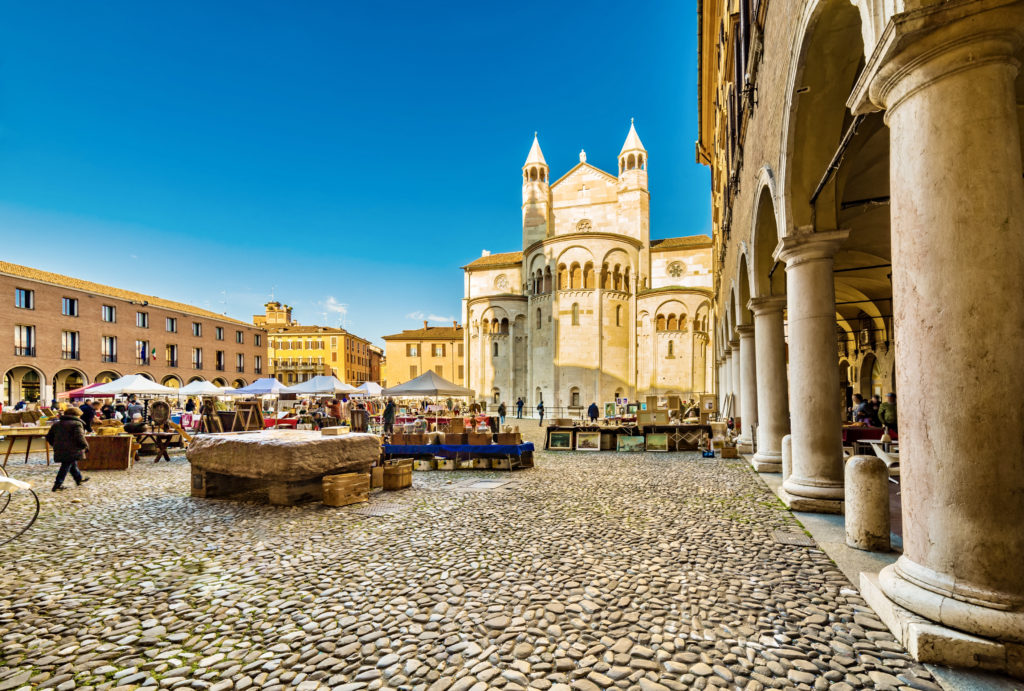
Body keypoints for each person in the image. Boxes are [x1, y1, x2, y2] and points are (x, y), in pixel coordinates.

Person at [46, 406, 90, 492]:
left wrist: (55, 444)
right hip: (72, 448)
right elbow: (79, 436)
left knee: (72, 463)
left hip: (61, 448)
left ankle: (78, 479)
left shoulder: (57, 424)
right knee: (65, 466)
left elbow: (49, 437)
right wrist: (85, 445)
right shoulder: (76, 424)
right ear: (75, 415)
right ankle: (57, 484)